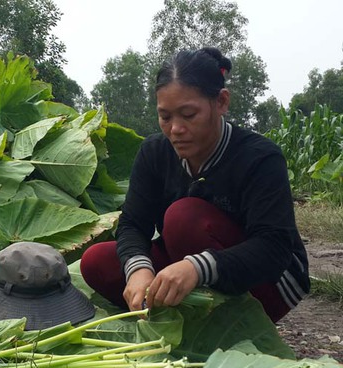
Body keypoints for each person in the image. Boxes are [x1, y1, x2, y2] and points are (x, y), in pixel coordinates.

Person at [80, 47, 309, 323]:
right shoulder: (154, 153)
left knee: (182, 218)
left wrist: (196, 268)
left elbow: (274, 248)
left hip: (268, 282)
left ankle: (229, 323)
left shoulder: (259, 157)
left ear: (221, 102)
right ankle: (190, 319)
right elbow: (133, 224)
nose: (175, 129)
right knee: (96, 262)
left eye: (188, 115)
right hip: (190, 261)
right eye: (165, 117)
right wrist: (139, 269)